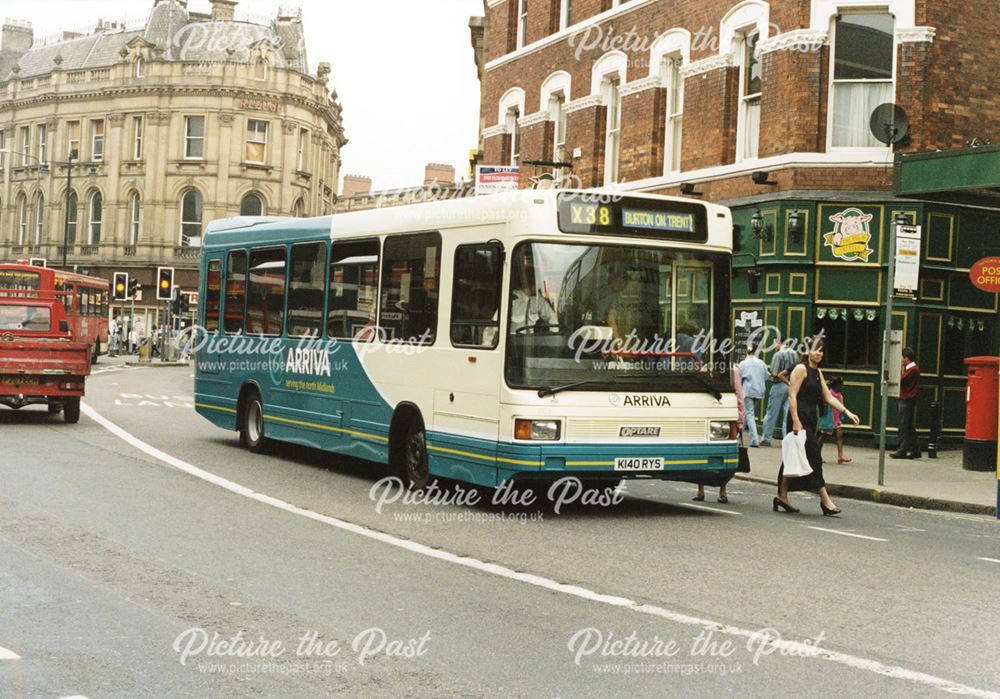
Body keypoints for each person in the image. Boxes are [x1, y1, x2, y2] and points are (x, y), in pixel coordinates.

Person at [774, 336, 860, 516]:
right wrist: (796, 420)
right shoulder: (800, 369)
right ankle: (825, 500)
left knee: (793, 456)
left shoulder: (817, 372)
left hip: (811, 419)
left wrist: (847, 412)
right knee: (814, 456)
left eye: (821, 350)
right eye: (815, 349)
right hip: (799, 419)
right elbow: (792, 395)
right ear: (806, 351)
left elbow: (828, 397)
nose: (819, 353)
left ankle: (782, 495)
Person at [696, 364, 745, 504]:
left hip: (709, 413)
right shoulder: (733, 370)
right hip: (723, 413)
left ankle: (701, 491)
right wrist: (740, 419)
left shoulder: (704, 368)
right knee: (723, 452)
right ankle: (722, 492)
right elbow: (739, 395)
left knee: (703, 452)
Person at [759, 338, 800, 446]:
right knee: (788, 415)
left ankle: (766, 438)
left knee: (772, 413)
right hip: (791, 385)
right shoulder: (794, 353)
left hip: (779, 385)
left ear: (779, 342)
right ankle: (787, 439)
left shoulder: (778, 355)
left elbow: (775, 372)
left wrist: (769, 374)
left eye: (774, 343)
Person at [891, 347, 921, 459]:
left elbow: (900, 380)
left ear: (906, 358)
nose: (901, 360)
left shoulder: (912, 370)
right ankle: (916, 450)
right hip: (908, 400)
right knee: (909, 426)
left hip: (906, 400)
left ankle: (902, 450)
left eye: (902, 358)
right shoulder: (913, 369)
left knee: (903, 426)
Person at [738, 344, 768, 447]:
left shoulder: (743, 363)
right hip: (759, 391)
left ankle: (754, 440)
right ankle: (738, 436)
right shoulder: (761, 363)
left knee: (749, 414)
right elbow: (766, 376)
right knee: (748, 413)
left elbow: (739, 378)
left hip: (748, 390)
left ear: (747, 351)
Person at [818, 377, 850, 464]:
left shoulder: (840, 395)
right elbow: (824, 403)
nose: (842, 387)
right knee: (824, 436)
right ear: (836, 386)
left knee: (840, 435)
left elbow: (841, 405)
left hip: (836, 419)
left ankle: (840, 456)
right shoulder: (829, 394)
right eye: (841, 386)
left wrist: (841, 415)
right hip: (829, 420)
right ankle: (817, 455)